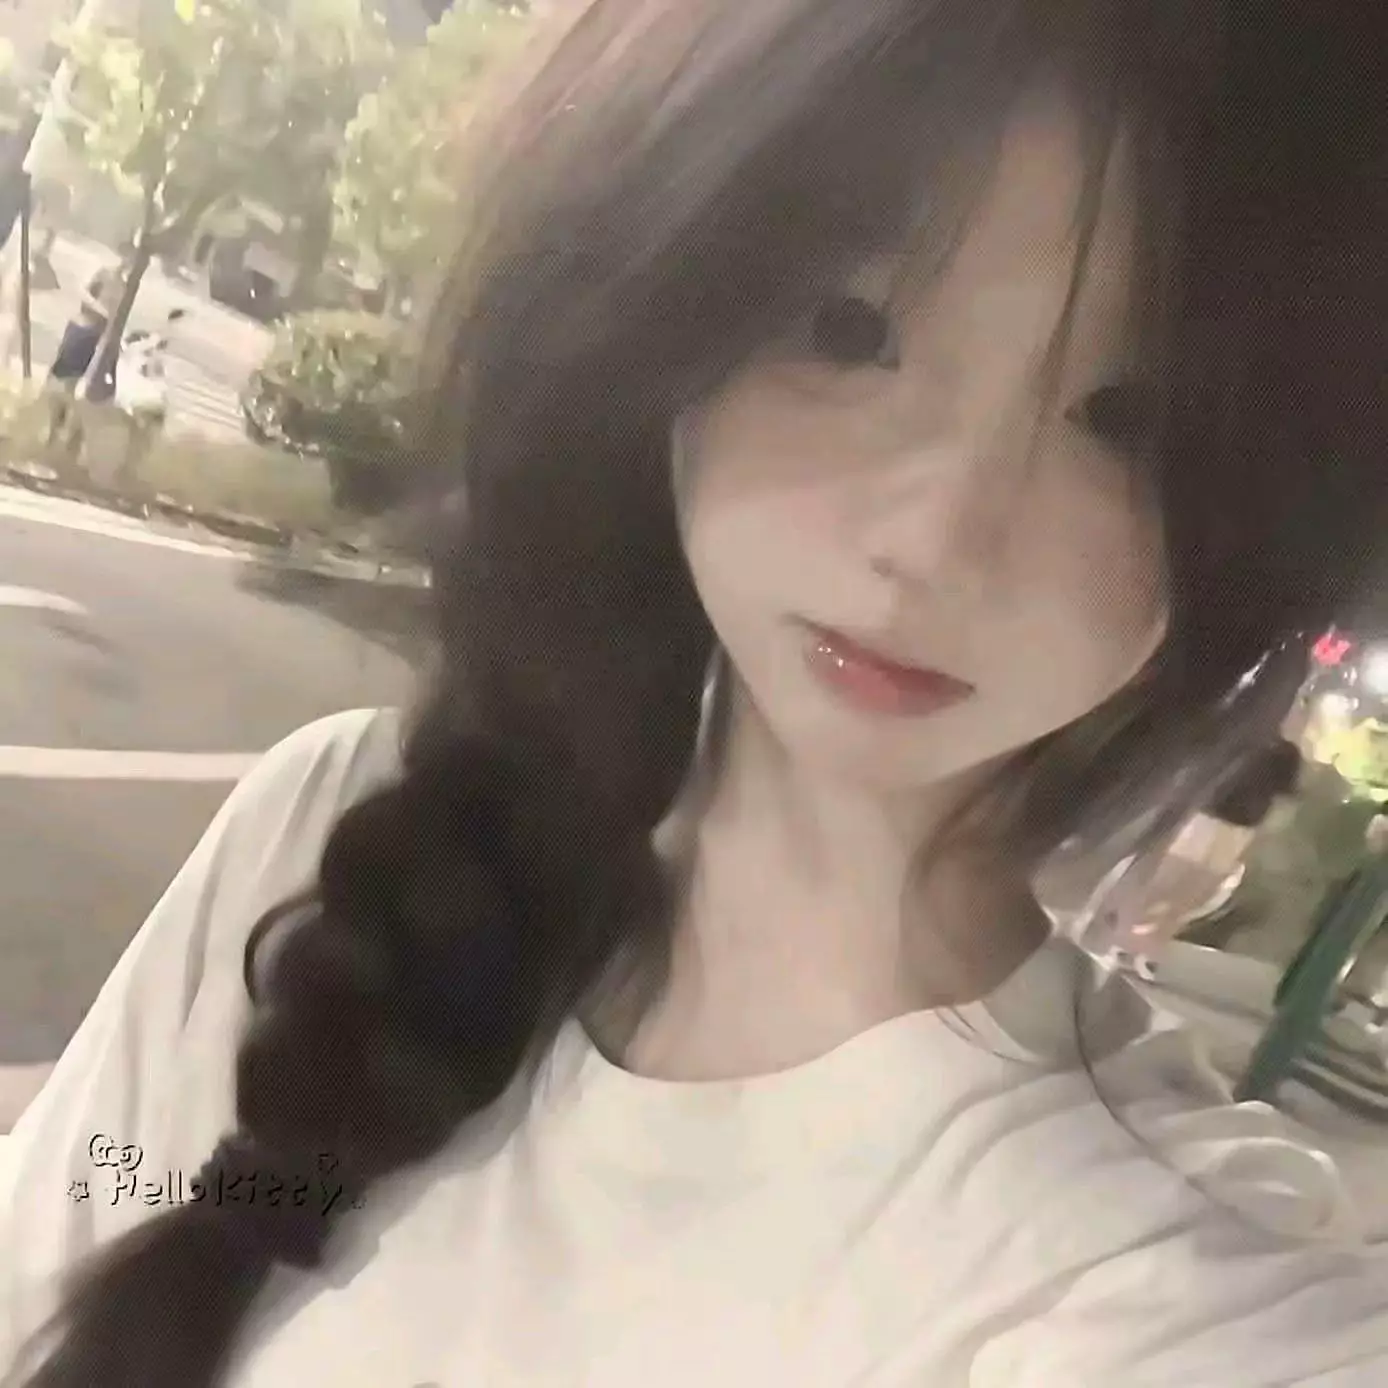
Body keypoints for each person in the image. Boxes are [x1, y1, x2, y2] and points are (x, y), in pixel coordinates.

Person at [3, 2, 1388, 1384]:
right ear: (656, 308)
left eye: (1128, 422)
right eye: (847, 327)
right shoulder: (327, 828)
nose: (934, 540)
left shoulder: (1169, 1296)